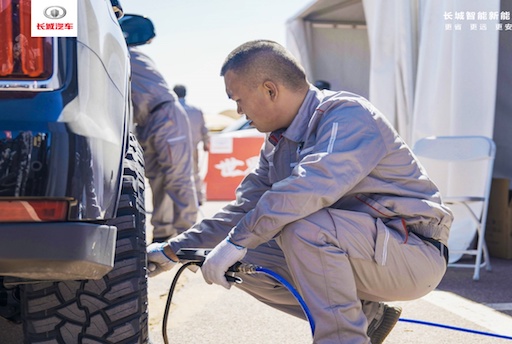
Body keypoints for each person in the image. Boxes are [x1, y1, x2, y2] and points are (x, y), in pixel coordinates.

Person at [147, 40, 452, 344]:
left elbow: (307, 189)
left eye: (238, 100)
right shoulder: (279, 143)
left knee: (298, 226)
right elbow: (244, 211)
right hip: (366, 251)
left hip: (414, 253)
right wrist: (171, 251)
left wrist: (237, 240)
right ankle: (367, 319)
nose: (239, 111)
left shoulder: (347, 116)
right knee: (241, 250)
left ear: (270, 89)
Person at [125, 26, 198, 242]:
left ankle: (191, 239)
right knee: (157, 180)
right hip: (146, 121)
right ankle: (162, 237)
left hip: (164, 115)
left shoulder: (125, 51)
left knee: (177, 179)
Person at [173, 84, 210, 205]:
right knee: (195, 172)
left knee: (177, 173)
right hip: (193, 147)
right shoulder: (196, 110)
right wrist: (206, 142)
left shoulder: (172, 110)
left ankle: (180, 199)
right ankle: (198, 198)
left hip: (175, 148)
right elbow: (204, 129)